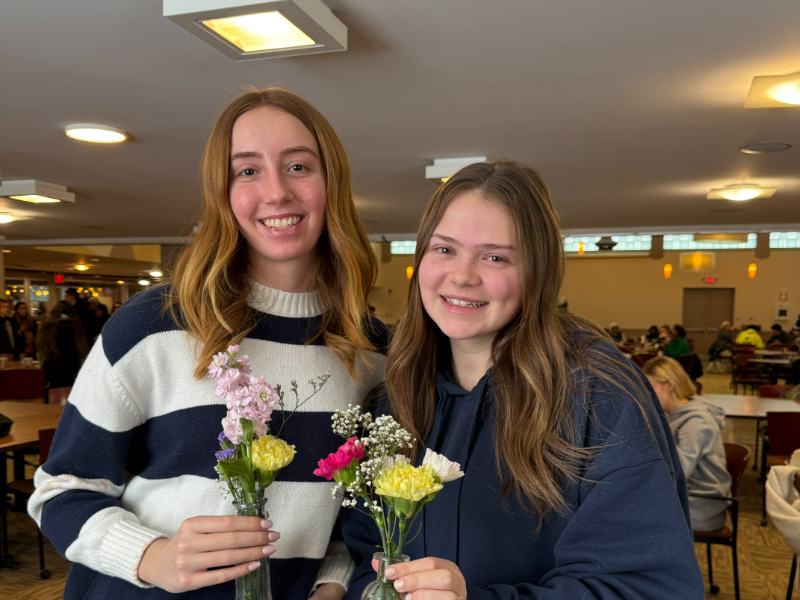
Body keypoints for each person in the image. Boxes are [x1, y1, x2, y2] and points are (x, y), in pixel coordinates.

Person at [29, 87, 389, 600]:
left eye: (299, 166)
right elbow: (60, 490)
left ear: (332, 181)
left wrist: (333, 581)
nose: (276, 192)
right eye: (247, 171)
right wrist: (151, 556)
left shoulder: (372, 351)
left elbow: (349, 516)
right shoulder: (154, 324)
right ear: (222, 192)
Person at [342, 161, 702, 599]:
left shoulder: (599, 395)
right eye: (444, 249)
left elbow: (646, 587)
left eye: (496, 257)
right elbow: (366, 552)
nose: (462, 275)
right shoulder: (394, 394)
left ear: (538, 271)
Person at [642, 356, 732, 532]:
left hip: (704, 506)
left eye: (650, 388)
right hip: (689, 497)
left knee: (629, 516)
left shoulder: (696, 423)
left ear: (669, 385)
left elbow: (678, 473)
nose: (646, 394)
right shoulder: (672, 414)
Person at [36, 301, 82, 389]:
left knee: (52, 390)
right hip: (71, 364)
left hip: (52, 363)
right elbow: (79, 348)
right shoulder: (73, 326)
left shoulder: (47, 326)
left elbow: (40, 343)